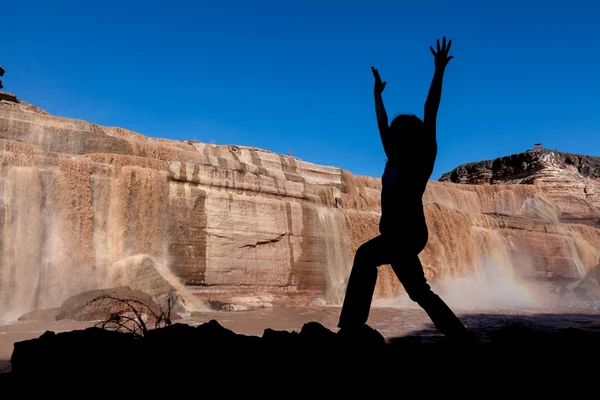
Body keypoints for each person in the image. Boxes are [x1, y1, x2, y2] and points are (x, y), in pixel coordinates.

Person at [337, 37, 472, 341]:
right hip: (397, 235)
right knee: (418, 292)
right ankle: (460, 336)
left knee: (364, 257)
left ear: (410, 137)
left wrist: (439, 71)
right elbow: (382, 123)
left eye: (398, 134)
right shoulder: (394, 158)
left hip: (409, 234)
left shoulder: (422, 161)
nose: (391, 137)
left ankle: (351, 327)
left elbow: (430, 109)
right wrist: (376, 95)